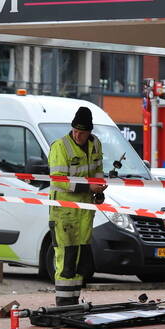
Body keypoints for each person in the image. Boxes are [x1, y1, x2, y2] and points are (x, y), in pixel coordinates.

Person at [47, 106, 106, 306]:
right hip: (63, 213)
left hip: (84, 212)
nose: (77, 134)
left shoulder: (95, 145)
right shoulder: (60, 147)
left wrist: (99, 190)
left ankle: (73, 301)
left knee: (80, 260)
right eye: (75, 131)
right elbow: (58, 180)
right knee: (66, 259)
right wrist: (89, 186)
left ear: (90, 131)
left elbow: (98, 171)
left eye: (82, 132)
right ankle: (63, 304)